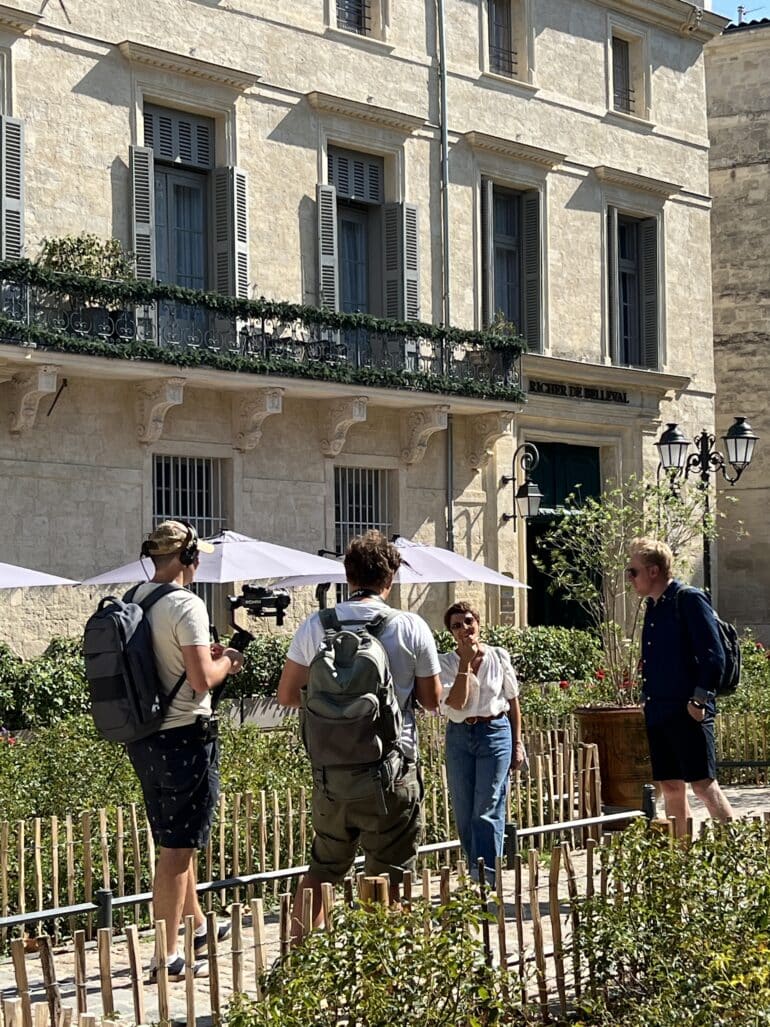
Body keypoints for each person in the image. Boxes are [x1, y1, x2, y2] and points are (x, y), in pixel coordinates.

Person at [277, 530, 442, 941]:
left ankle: (293, 961)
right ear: (390, 579)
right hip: (392, 770)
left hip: (332, 774)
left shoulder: (316, 625)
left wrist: (335, 710)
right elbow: (432, 699)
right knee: (389, 873)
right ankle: (374, 974)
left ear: (347, 576)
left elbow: (286, 694)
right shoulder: (410, 627)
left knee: (323, 867)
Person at [124, 520, 244, 979]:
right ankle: (166, 954)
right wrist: (228, 661)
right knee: (177, 849)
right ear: (187, 557)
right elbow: (200, 680)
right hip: (185, 736)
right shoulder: (185, 604)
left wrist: (203, 656)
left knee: (176, 838)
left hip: (145, 736)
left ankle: (195, 926)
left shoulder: (136, 599)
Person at [627, 536, 734, 837]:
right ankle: (681, 862)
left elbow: (714, 656)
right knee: (671, 786)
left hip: (689, 710)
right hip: (659, 709)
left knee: (703, 785)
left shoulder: (689, 599)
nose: (630, 578)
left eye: (633, 571)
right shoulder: (653, 606)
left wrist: (699, 701)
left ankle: (736, 850)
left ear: (653, 571)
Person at [438, 601, 525, 879]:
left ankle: (486, 877)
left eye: (468, 622)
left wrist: (517, 742)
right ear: (450, 633)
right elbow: (458, 703)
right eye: (456, 625)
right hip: (460, 735)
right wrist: (465, 661)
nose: (464, 629)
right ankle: (476, 868)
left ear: (478, 623)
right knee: (464, 810)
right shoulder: (445, 663)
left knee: (487, 806)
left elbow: (513, 702)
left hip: (495, 732)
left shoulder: (498, 657)